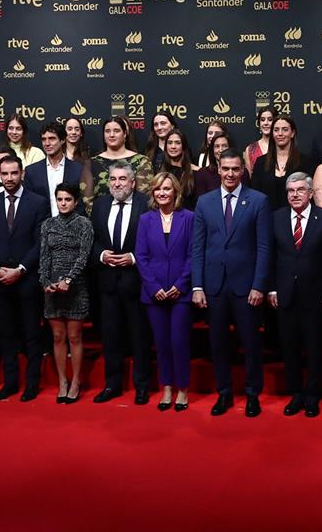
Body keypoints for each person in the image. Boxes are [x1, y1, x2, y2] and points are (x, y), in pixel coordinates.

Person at [191, 150, 272, 417]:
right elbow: (198, 247)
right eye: (225, 169)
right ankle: (224, 393)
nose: (230, 174)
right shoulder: (204, 202)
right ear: (218, 168)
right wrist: (197, 286)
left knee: (250, 344)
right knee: (218, 344)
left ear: (242, 171)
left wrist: (259, 285)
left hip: (246, 287)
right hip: (214, 286)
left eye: (235, 169)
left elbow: (263, 247)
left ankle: (252, 395)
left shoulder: (258, 201)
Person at [268, 171, 322, 418]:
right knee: (290, 347)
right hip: (285, 293)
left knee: (314, 347)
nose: (295, 195)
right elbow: (271, 257)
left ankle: (312, 395)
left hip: (315, 294)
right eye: (291, 191)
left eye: (300, 190)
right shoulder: (275, 218)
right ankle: (296, 393)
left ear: (310, 193)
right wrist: (272, 288)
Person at [0, 155, 47, 402]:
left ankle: (31, 384)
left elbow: (40, 242)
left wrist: (20, 269)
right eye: (4, 173)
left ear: (22, 174)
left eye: (13, 173)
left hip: (26, 280)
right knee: (6, 334)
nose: (9, 178)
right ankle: (9, 383)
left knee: (31, 334)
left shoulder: (38, 203)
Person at [89, 163, 153, 405]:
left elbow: (153, 241)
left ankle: (142, 386)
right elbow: (92, 240)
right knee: (111, 336)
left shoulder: (145, 204)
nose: (117, 183)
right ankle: (112, 384)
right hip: (107, 283)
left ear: (133, 182)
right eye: (113, 179)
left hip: (137, 282)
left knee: (139, 337)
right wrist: (102, 255)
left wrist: (134, 257)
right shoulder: (101, 204)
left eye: (123, 179)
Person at [135, 172, 194, 411]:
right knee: (161, 342)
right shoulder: (146, 220)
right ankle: (167, 387)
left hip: (181, 292)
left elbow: (193, 255)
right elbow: (141, 256)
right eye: (158, 189)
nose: (162, 193)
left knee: (179, 341)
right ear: (153, 193)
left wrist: (179, 286)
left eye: (167, 189)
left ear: (176, 192)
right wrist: (155, 287)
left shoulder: (189, 218)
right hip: (154, 293)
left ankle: (183, 388)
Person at [39, 184, 94, 404]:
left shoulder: (84, 224)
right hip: (52, 289)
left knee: (74, 337)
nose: (63, 203)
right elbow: (43, 256)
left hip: (76, 287)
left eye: (68, 199)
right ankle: (62, 380)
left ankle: (76, 381)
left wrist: (68, 280)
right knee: (58, 337)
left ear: (76, 201)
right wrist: (45, 282)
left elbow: (84, 256)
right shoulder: (48, 225)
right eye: (60, 199)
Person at [252, 114, 314, 212]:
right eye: (276, 130)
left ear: (292, 133)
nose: (280, 134)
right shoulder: (261, 162)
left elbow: (310, 196)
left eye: (285, 130)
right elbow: (255, 196)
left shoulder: (305, 162)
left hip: (296, 220)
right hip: (266, 218)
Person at [24, 121, 88, 216]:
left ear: (62, 140)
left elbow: (82, 204)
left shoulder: (78, 169)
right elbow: (29, 205)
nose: (47, 143)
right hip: (41, 227)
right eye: (44, 139)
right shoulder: (32, 171)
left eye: (52, 138)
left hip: (72, 227)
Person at [89, 115, 155, 204]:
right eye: (107, 131)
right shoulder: (92, 163)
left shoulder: (142, 161)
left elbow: (144, 198)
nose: (111, 135)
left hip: (133, 215)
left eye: (116, 131)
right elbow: (88, 200)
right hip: (100, 216)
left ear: (124, 134)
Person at [193, 131, 249, 201]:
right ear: (212, 149)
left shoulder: (242, 172)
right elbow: (201, 202)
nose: (220, 150)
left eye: (224, 146)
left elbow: (247, 198)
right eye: (217, 146)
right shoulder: (202, 174)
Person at [157, 129, 197, 206]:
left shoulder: (194, 172)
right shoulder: (160, 172)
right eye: (170, 143)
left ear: (183, 146)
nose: (173, 146)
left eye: (177, 143)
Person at [245, 107, 276, 174]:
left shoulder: (282, 146)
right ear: (259, 123)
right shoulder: (250, 149)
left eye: (270, 120)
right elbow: (249, 177)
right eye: (262, 120)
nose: (266, 123)